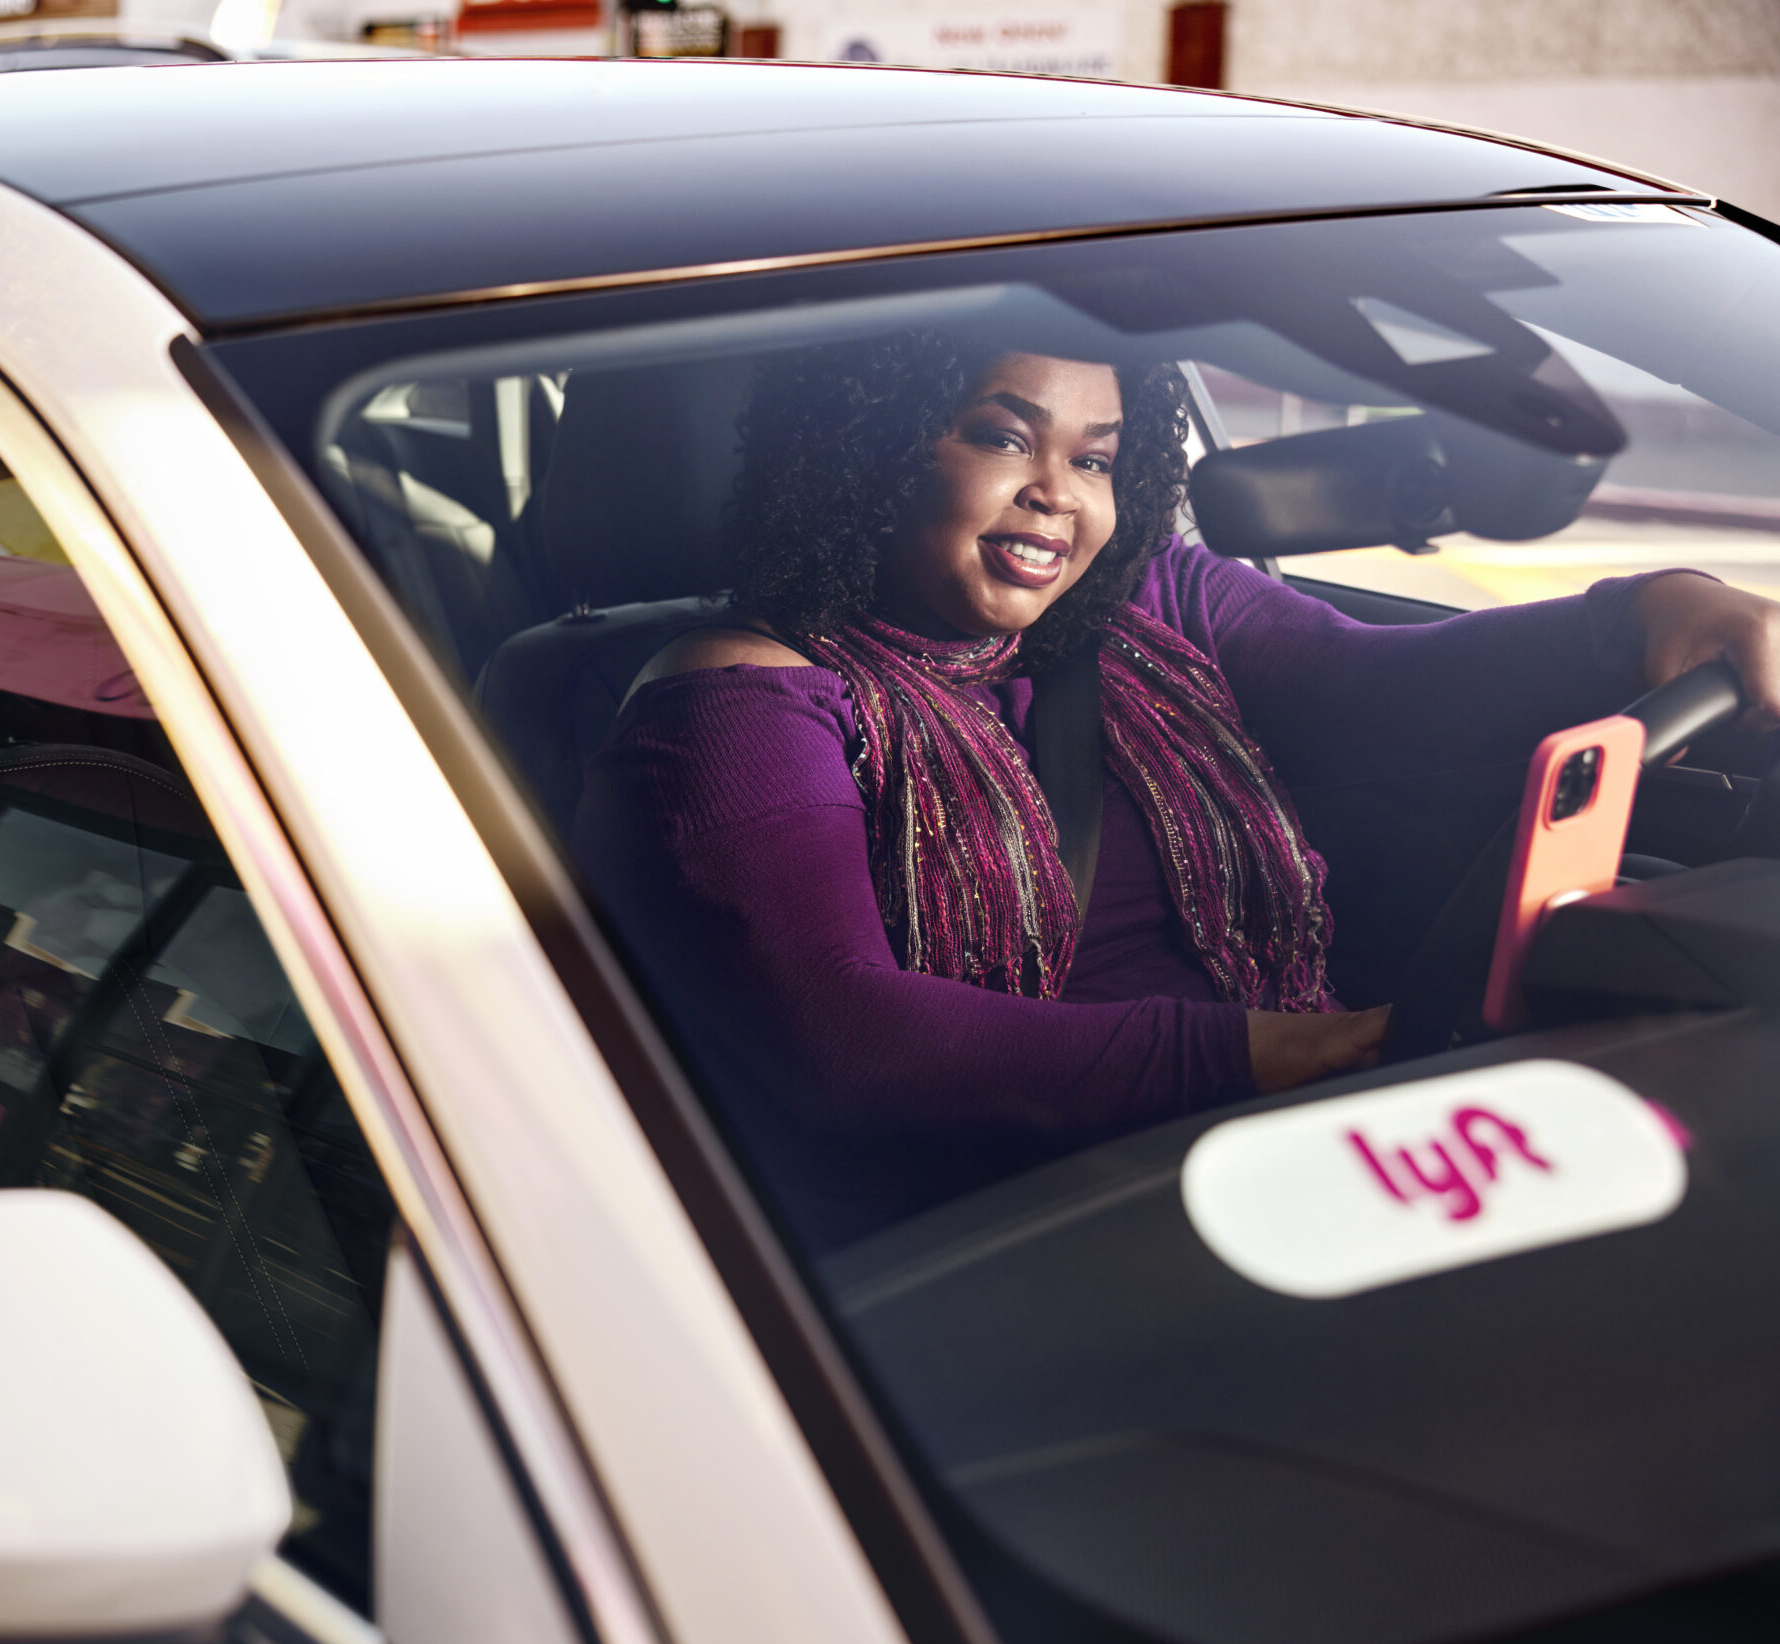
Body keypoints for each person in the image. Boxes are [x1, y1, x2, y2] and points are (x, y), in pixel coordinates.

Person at [572, 333, 1780, 1249]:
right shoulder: (733, 704)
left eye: (1094, 457)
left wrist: (1646, 614)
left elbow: (1379, 688)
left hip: (1301, 1150)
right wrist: (1281, 1054)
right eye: (1001, 438)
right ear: (864, 452)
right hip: (1027, 1234)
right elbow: (850, 1038)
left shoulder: (1152, 604)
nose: (1057, 491)